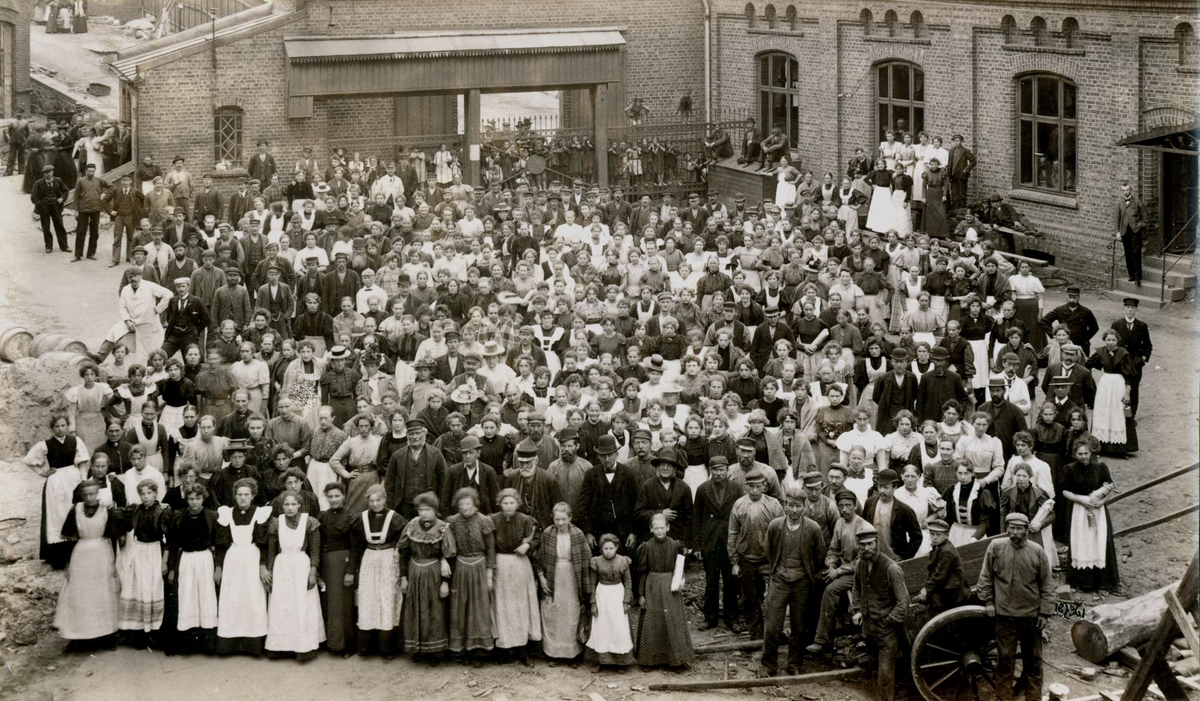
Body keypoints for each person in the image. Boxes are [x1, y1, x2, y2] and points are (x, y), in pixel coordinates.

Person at [978, 512, 1055, 701]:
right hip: (1005, 615)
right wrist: (988, 601)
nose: (1015, 532)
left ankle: (1033, 698)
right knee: (1004, 660)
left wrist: (1044, 613)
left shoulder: (1037, 551)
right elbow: (985, 576)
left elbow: (1047, 585)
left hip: (1031, 616)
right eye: (1011, 528)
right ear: (1007, 529)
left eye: (1019, 529)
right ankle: (1003, 698)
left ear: (1026, 530)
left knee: (1034, 662)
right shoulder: (996, 547)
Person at [760, 485, 827, 677]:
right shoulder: (776, 526)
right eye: (790, 505)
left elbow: (819, 555)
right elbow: (769, 550)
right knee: (772, 624)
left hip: (802, 583)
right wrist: (777, 572)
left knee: (799, 626)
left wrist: (806, 575)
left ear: (804, 506)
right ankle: (768, 665)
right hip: (779, 580)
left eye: (798, 506)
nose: (794, 510)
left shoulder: (813, 528)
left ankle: (794, 663)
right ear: (785, 505)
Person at [55, 480, 122, 649]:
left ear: (97, 493)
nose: (89, 497)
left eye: (92, 493)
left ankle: (107, 636)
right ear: (82, 495)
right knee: (79, 594)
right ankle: (78, 636)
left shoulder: (106, 509)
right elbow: (69, 539)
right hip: (81, 555)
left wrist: (112, 561)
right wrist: (68, 563)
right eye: (86, 494)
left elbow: (115, 535)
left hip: (101, 553)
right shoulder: (76, 510)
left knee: (103, 594)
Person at [263, 489, 325, 659]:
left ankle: (304, 646)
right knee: (281, 606)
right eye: (286, 504)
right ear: (281, 506)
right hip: (282, 566)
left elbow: (315, 551)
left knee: (302, 605)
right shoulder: (276, 522)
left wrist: (313, 572)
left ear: (299, 505)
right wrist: (269, 572)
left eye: (293, 504)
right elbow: (271, 551)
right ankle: (280, 646)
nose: (290, 508)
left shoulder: (309, 522)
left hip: (301, 565)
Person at [850, 523, 909, 701]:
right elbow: (857, 588)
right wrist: (858, 610)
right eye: (862, 545)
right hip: (868, 628)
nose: (866, 548)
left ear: (877, 543)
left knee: (885, 675)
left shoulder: (891, 568)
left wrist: (888, 621)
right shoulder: (861, 563)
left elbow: (903, 603)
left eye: (870, 544)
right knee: (874, 666)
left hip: (886, 630)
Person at [215, 479, 272, 655]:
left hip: (252, 558)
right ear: (235, 496)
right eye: (239, 494)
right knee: (232, 599)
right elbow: (222, 543)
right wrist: (218, 567)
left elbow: (263, 543)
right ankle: (229, 644)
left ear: (253, 495)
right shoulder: (227, 513)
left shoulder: (260, 514)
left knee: (253, 599)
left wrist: (263, 566)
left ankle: (253, 644)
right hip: (233, 559)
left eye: (246, 494)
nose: (242, 498)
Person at [26, 414, 90, 569]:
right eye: (57, 426)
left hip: (73, 479)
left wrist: (83, 479)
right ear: (52, 428)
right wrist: (43, 472)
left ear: (67, 426)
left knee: (73, 510)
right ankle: (59, 556)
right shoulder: (45, 445)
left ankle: (77, 553)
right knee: (57, 514)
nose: (60, 429)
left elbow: (83, 461)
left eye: (63, 425)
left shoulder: (75, 441)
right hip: (56, 481)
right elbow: (28, 460)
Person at [398, 491, 455, 663]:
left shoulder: (443, 527)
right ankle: (418, 649)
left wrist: (445, 582)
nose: (423, 513)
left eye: (427, 510)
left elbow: (449, 555)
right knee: (415, 609)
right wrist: (403, 578)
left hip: (433, 573)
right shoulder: (412, 525)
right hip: (415, 571)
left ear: (435, 510)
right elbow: (403, 553)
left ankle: (435, 652)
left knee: (434, 610)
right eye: (420, 510)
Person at [728, 468, 783, 640]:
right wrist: (734, 561)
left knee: (774, 597)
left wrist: (779, 558)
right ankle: (756, 633)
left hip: (768, 559)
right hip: (747, 558)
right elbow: (732, 533)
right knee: (750, 598)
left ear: (764, 486)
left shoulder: (773, 504)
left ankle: (774, 631)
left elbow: (782, 532)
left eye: (757, 486)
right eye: (750, 486)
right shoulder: (739, 505)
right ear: (745, 486)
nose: (754, 490)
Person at [352, 483, 406, 657]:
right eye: (372, 500)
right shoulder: (362, 518)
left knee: (387, 598)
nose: (375, 504)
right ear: (367, 501)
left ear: (385, 499)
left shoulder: (394, 518)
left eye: (379, 500)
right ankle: (366, 647)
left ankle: (387, 648)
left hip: (388, 558)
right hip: (369, 559)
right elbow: (357, 546)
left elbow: (403, 543)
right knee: (369, 598)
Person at [691, 456, 744, 632]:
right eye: (715, 470)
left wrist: (738, 544)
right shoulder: (702, 489)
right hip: (710, 542)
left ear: (727, 470)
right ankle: (710, 618)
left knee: (731, 582)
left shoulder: (736, 489)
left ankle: (732, 619)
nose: (718, 473)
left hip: (730, 542)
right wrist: (698, 546)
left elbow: (741, 516)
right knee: (711, 582)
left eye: (722, 469)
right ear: (711, 471)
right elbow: (696, 518)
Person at [1060, 438, 1119, 593]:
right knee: (1081, 541)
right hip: (1080, 509)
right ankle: (1081, 581)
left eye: (1086, 453)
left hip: (1098, 509)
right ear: (1075, 454)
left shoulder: (1100, 468)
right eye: (1080, 454)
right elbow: (1065, 491)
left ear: (1091, 453)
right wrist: (1080, 500)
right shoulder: (1069, 469)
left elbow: (1110, 487)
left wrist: (1101, 503)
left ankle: (1103, 582)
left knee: (1099, 541)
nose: (1084, 456)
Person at [166, 481, 219, 655]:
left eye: (198, 498)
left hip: (204, 559)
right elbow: (173, 544)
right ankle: (186, 644)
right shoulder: (179, 516)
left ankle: (208, 644)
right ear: (186, 499)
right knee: (187, 598)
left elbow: (217, 543)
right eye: (191, 498)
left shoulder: (211, 516)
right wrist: (172, 569)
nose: (194, 502)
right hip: (187, 560)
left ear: (203, 498)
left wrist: (217, 564)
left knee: (206, 597)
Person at [116, 479, 171, 643]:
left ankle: (154, 631)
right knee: (138, 587)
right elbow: (119, 516)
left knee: (153, 587)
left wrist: (164, 561)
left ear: (155, 493)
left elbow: (169, 537)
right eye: (143, 494)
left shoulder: (162, 511)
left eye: (149, 493)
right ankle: (137, 631)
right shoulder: (136, 509)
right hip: (139, 550)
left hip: (154, 551)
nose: (146, 497)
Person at [635, 512, 693, 668]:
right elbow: (642, 571)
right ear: (651, 529)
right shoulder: (647, 546)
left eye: (662, 527)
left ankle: (676, 659)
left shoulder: (675, 545)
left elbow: (680, 567)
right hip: (652, 585)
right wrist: (641, 594)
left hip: (670, 586)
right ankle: (649, 660)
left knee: (672, 619)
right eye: (656, 528)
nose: (659, 531)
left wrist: (680, 580)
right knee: (653, 621)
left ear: (668, 527)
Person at [537, 501, 592, 663]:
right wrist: (541, 578)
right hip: (552, 575)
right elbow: (539, 558)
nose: (560, 523)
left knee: (571, 613)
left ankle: (573, 654)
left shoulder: (578, 534)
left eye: (563, 519)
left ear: (570, 518)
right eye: (557, 519)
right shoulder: (548, 533)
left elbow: (586, 559)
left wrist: (584, 582)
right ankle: (553, 653)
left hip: (572, 577)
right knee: (553, 613)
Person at [491, 488, 541, 664]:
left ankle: (523, 650)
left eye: (512, 503)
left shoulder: (526, 520)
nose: (508, 506)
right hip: (501, 566)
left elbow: (536, 537)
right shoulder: (493, 520)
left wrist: (527, 546)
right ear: (500, 504)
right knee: (502, 606)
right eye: (505, 503)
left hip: (520, 565)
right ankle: (504, 649)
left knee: (521, 606)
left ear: (518, 504)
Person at [446, 487, 496, 662]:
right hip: (461, 567)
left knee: (479, 607)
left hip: (479, 567)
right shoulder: (452, 522)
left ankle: (479, 652)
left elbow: (490, 549)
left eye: (468, 504)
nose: (465, 507)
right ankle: (461, 651)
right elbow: (447, 547)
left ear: (474, 504)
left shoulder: (484, 521)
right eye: (461, 504)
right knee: (461, 607)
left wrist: (489, 574)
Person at [1086, 329, 1136, 457]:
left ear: (1118, 340)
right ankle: (1099, 447)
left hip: (1119, 384)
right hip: (1105, 384)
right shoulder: (1100, 352)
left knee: (1118, 413)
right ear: (1105, 340)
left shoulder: (1123, 353)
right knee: (1102, 412)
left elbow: (1130, 376)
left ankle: (1120, 449)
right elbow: (1087, 365)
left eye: (1113, 340)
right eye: (1108, 340)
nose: (1111, 343)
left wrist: (1127, 392)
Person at [861, 467, 924, 561]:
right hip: (872, 556)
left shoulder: (904, 510)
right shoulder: (870, 503)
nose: (881, 490)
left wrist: (904, 557)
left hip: (893, 559)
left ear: (895, 487)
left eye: (886, 487)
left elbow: (917, 537)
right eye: (880, 486)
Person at [912, 518, 969, 616]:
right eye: (932, 534)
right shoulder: (939, 547)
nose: (934, 537)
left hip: (953, 593)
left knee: (933, 609)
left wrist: (926, 589)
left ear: (946, 535)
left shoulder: (946, 551)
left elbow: (939, 575)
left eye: (938, 535)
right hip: (946, 586)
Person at [1109, 297, 1152, 418]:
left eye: (1132, 308)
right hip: (1119, 361)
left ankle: (1131, 417)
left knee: (1133, 389)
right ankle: (1117, 414)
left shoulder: (1142, 326)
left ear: (1136, 310)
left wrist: (1143, 358)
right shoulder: (1116, 324)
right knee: (1118, 386)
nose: (1130, 310)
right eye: (1128, 308)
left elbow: (1148, 345)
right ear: (1124, 309)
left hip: (1135, 362)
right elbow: (1111, 341)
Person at [1039, 286, 1099, 357]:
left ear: (1078, 298)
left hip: (1081, 345)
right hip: (1064, 344)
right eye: (1070, 297)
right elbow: (1043, 322)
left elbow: (1094, 328)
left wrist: (1085, 338)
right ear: (1066, 297)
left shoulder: (1086, 312)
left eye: (1074, 298)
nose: (1072, 300)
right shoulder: (1059, 310)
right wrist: (1055, 334)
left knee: (1082, 365)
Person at [31, 164, 71, 253]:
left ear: (53, 172)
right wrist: (41, 204)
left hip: (56, 206)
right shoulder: (38, 183)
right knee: (46, 227)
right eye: (46, 173)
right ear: (43, 174)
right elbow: (33, 197)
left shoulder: (58, 180)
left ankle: (64, 246)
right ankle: (48, 246)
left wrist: (62, 198)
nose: (49, 174)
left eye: (50, 172)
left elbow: (66, 190)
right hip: (44, 207)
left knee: (60, 225)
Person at [1116, 181, 1147, 286]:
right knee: (1128, 254)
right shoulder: (1119, 203)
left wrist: (1139, 226)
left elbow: (1145, 218)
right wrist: (1118, 232)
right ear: (1121, 191)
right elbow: (1117, 219)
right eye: (1123, 190)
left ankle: (1138, 277)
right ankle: (1131, 275)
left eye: (1127, 190)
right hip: (1125, 232)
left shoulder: (1137, 202)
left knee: (1136, 254)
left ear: (1131, 190)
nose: (1126, 192)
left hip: (1135, 232)